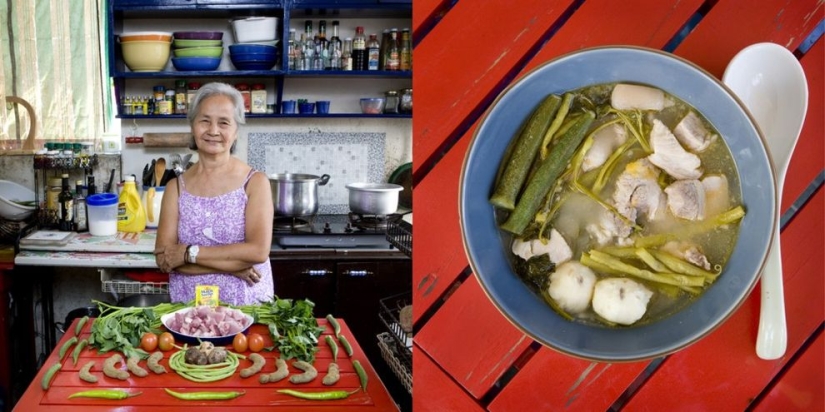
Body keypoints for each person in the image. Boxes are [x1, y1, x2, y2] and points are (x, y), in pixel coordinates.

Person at [154, 82, 274, 305]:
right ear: (192, 126)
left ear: (236, 131)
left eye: (224, 122)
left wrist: (188, 253)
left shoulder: (255, 183)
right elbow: (164, 258)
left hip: (247, 308)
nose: (213, 131)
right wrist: (234, 267)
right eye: (205, 120)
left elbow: (258, 252)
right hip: (189, 312)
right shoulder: (176, 187)